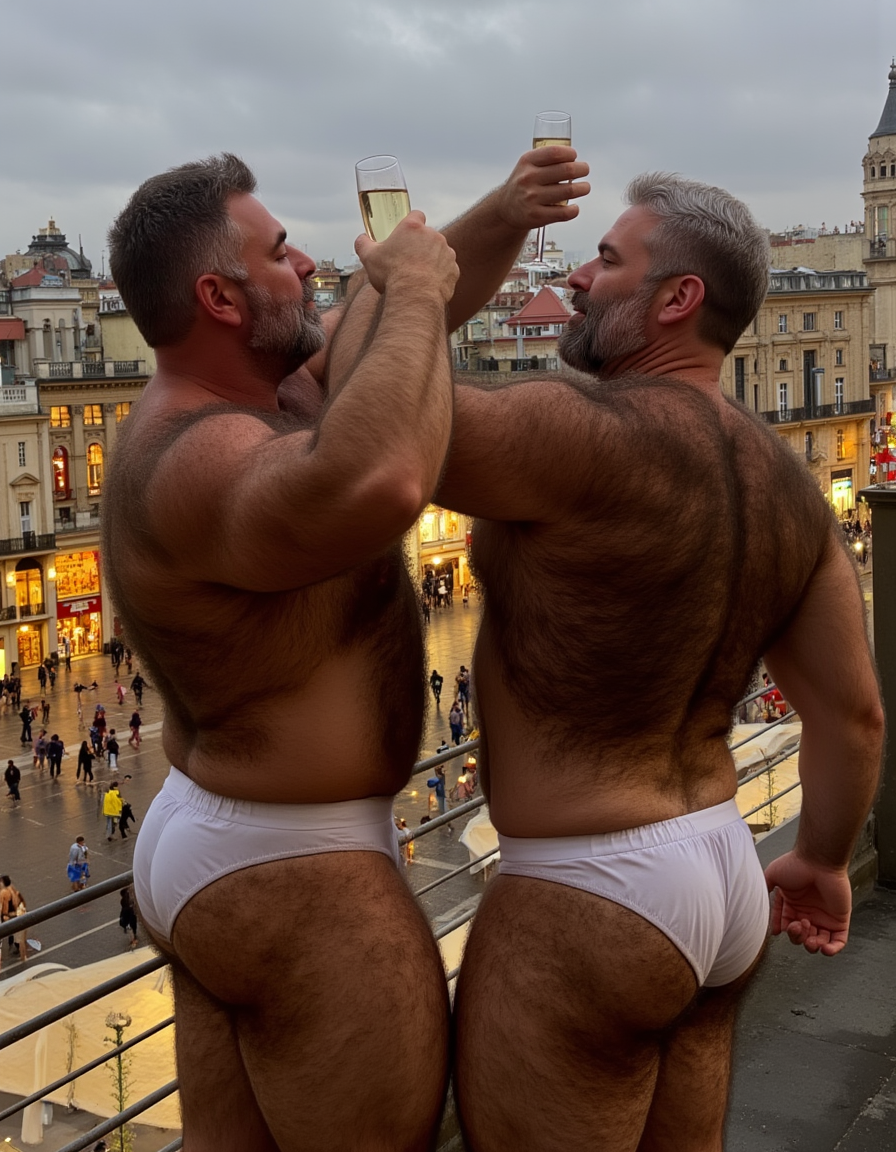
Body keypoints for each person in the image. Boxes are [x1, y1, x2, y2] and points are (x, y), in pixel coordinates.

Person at [98, 147, 568, 1148]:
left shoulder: (277, 390)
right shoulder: (194, 452)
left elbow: (402, 325)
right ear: (220, 297)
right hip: (291, 865)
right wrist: (410, 292)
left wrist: (502, 214)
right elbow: (385, 481)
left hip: (231, 841)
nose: (308, 261)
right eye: (280, 252)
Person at [435, 170, 885, 1148]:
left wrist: (459, 244)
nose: (584, 282)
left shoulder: (575, 429)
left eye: (606, 260)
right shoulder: (788, 489)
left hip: (584, 884)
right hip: (719, 869)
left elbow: (363, 402)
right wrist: (816, 857)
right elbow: (851, 717)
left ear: (676, 299)